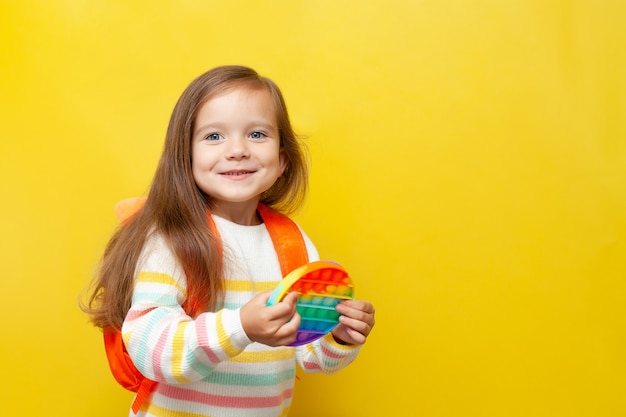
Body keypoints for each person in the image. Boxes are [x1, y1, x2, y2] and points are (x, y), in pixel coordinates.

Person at [82, 65, 375, 417]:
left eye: (256, 134)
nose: (237, 150)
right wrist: (241, 327)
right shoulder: (170, 239)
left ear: (282, 159)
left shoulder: (292, 244)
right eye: (214, 137)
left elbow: (308, 355)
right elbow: (151, 350)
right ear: (185, 158)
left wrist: (338, 335)